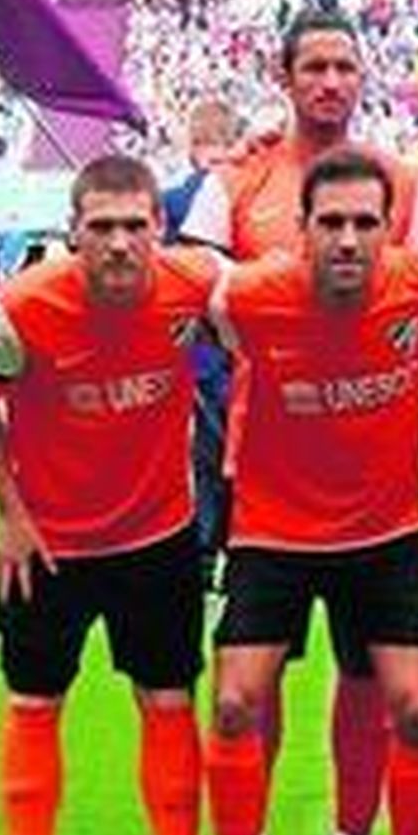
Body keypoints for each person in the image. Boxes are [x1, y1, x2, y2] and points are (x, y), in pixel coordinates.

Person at [182, 10, 418, 835]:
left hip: (378, 483)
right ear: (284, 74)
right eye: (315, 66)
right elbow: (201, 297)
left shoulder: (404, 183)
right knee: (253, 684)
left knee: (371, 680)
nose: (331, 81)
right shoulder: (236, 179)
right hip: (261, 470)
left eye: (346, 65)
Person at [200, 148, 418, 835]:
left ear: (391, 230)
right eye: (333, 223)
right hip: (271, 533)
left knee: (417, 710)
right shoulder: (248, 293)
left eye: (367, 223)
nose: (350, 239)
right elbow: (175, 277)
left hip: (387, 535)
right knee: (236, 704)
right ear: (302, 229)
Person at [0, 154, 217, 835]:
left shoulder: (197, 286)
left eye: (134, 226)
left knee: (168, 702)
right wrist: (11, 513)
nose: (118, 244)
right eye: (100, 227)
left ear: (158, 228)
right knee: (34, 704)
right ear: (71, 231)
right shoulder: (21, 309)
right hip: (51, 545)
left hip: (157, 537)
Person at [161, 98, 243, 590]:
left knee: (211, 455)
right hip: (220, 349)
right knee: (220, 453)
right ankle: (222, 547)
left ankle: (210, 549)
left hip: (208, 349)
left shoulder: (178, 200)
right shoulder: (231, 195)